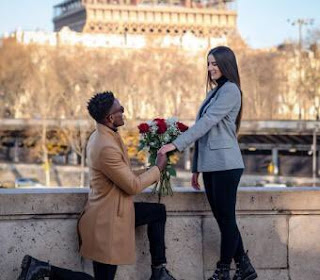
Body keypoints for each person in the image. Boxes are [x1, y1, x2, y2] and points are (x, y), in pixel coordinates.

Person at [17, 91, 176, 280]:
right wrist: (158, 168)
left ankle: (159, 270)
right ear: (110, 117)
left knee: (157, 212)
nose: (124, 112)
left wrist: (151, 170)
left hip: (114, 212)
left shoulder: (105, 135)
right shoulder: (106, 145)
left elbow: (125, 175)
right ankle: (43, 270)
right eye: (121, 110)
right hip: (106, 224)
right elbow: (132, 186)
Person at [158, 46, 257, 280]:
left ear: (227, 65)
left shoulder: (231, 90)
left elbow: (207, 123)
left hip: (226, 164)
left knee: (227, 219)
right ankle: (244, 267)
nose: (211, 68)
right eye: (209, 63)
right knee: (224, 219)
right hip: (212, 165)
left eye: (215, 63)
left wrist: (175, 145)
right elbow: (204, 135)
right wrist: (196, 168)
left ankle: (223, 270)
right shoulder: (215, 92)